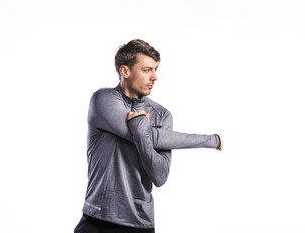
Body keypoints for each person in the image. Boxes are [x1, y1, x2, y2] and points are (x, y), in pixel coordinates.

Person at [74, 39, 223, 233]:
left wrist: (139, 124)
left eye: (155, 69)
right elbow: (149, 136)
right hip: (98, 219)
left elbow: (160, 177)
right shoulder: (103, 100)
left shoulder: (162, 116)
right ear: (125, 71)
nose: (155, 77)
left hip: (141, 223)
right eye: (147, 70)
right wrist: (210, 140)